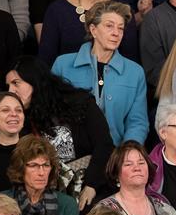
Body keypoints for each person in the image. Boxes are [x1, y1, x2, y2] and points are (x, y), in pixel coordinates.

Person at [6, 56, 113, 206]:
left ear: (34, 81)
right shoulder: (21, 122)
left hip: (90, 187)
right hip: (49, 196)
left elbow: (104, 144)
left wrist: (92, 185)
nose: (11, 91)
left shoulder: (80, 102)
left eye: (16, 83)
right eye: (8, 86)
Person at [52, 0, 147, 146]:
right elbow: (52, 113)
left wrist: (127, 151)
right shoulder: (63, 65)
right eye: (109, 26)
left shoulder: (135, 73)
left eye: (120, 28)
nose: (116, 33)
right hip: (73, 157)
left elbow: (138, 122)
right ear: (93, 29)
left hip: (115, 156)